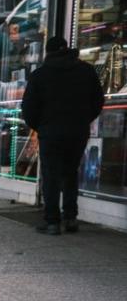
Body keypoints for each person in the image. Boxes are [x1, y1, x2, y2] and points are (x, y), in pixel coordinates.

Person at [22, 36, 104, 235]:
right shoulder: (86, 71)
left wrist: (41, 126)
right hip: (77, 132)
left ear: (48, 52)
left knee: (51, 176)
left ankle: (52, 221)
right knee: (70, 173)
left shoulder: (40, 75)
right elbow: (97, 101)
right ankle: (70, 218)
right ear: (67, 49)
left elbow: (29, 108)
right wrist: (83, 120)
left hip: (50, 133)